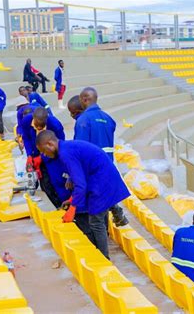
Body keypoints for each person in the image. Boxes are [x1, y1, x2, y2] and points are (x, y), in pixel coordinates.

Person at [36, 130, 131, 259]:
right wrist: (71, 197)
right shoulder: (67, 147)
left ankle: (103, 258)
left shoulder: (65, 154)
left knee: (96, 221)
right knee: (96, 215)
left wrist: (72, 208)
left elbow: (81, 185)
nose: (44, 154)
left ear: (50, 144)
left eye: (43, 151)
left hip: (102, 179)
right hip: (100, 175)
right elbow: (78, 172)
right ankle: (117, 213)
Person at [76, 87, 129, 227]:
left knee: (96, 216)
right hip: (108, 164)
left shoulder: (83, 120)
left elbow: (81, 149)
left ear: (84, 99)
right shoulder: (108, 119)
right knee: (103, 202)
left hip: (93, 168)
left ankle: (101, 244)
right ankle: (116, 212)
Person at [19, 108, 68, 208]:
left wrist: (42, 157)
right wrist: (29, 155)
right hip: (35, 152)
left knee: (56, 180)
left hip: (52, 156)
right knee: (45, 184)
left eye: (41, 127)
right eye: (36, 126)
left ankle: (63, 204)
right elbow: (26, 138)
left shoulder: (55, 126)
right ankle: (56, 205)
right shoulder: (26, 121)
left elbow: (59, 146)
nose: (38, 128)